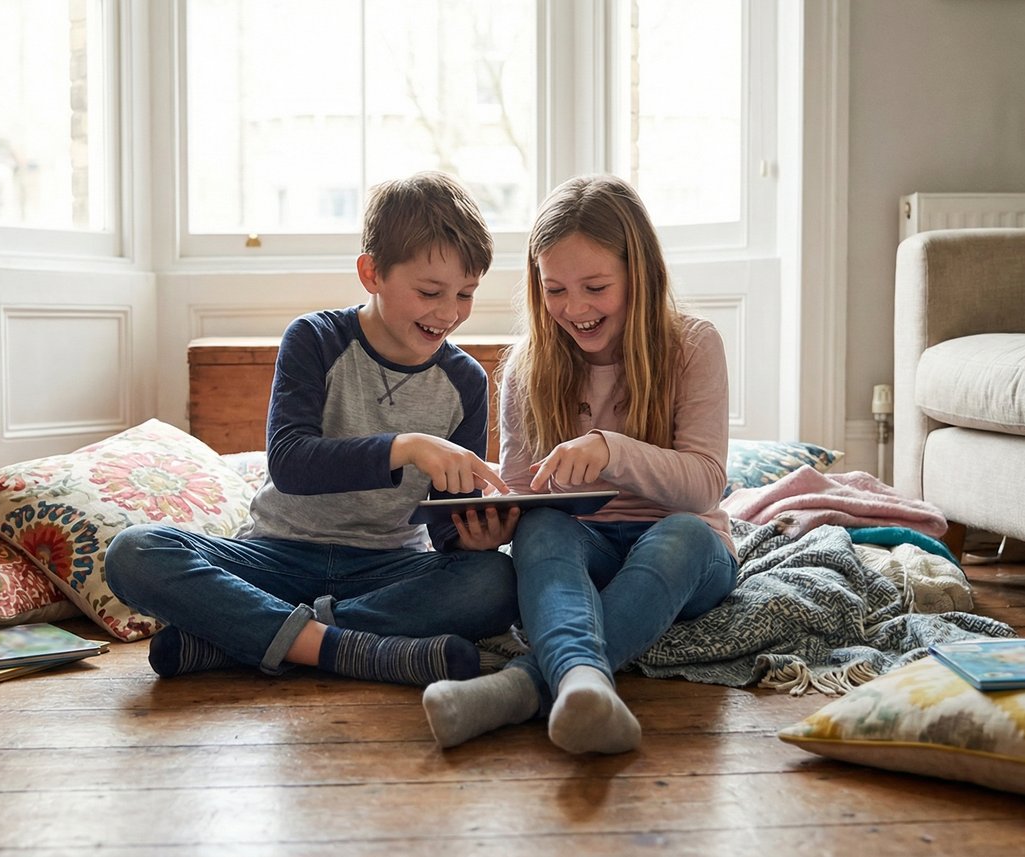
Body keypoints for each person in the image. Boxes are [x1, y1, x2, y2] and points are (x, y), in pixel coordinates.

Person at [105, 171, 520, 687]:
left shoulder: (466, 382)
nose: (449, 312)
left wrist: (475, 539)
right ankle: (355, 649)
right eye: (430, 291)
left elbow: (439, 530)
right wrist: (404, 446)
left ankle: (245, 641)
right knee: (135, 552)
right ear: (371, 273)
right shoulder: (314, 338)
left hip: (385, 570)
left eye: (466, 294)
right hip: (276, 557)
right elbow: (291, 462)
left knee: (493, 581)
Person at [423, 175, 739, 753]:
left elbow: (704, 484)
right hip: (583, 553)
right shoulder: (527, 366)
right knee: (544, 524)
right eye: (555, 290)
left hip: (686, 553)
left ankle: (522, 687)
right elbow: (521, 488)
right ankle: (581, 684)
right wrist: (496, 524)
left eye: (595, 286)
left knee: (682, 534)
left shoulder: (694, 344)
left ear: (639, 275)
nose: (575, 309)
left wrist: (609, 449)